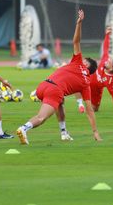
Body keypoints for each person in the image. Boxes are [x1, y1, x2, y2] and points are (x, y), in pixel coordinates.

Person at [15, 9, 102, 145]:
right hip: (54, 91)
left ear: (86, 64)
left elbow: (76, 41)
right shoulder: (86, 83)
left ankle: (64, 133)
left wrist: (79, 23)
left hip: (43, 86)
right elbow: (90, 110)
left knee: (61, 102)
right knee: (41, 117)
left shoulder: (78, 61)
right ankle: (23, 128)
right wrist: (95, 131)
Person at [75, 27, 113, 113]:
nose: (107, 61)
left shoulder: (111, 81)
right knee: (77, 84)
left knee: (94, 110)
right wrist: (107, 34)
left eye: (109, 62)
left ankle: (87, 105)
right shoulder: (104, 60)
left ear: (111, 68)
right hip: (87, 82)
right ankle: (80, 104)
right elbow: (106, 47)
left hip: (96, 92)